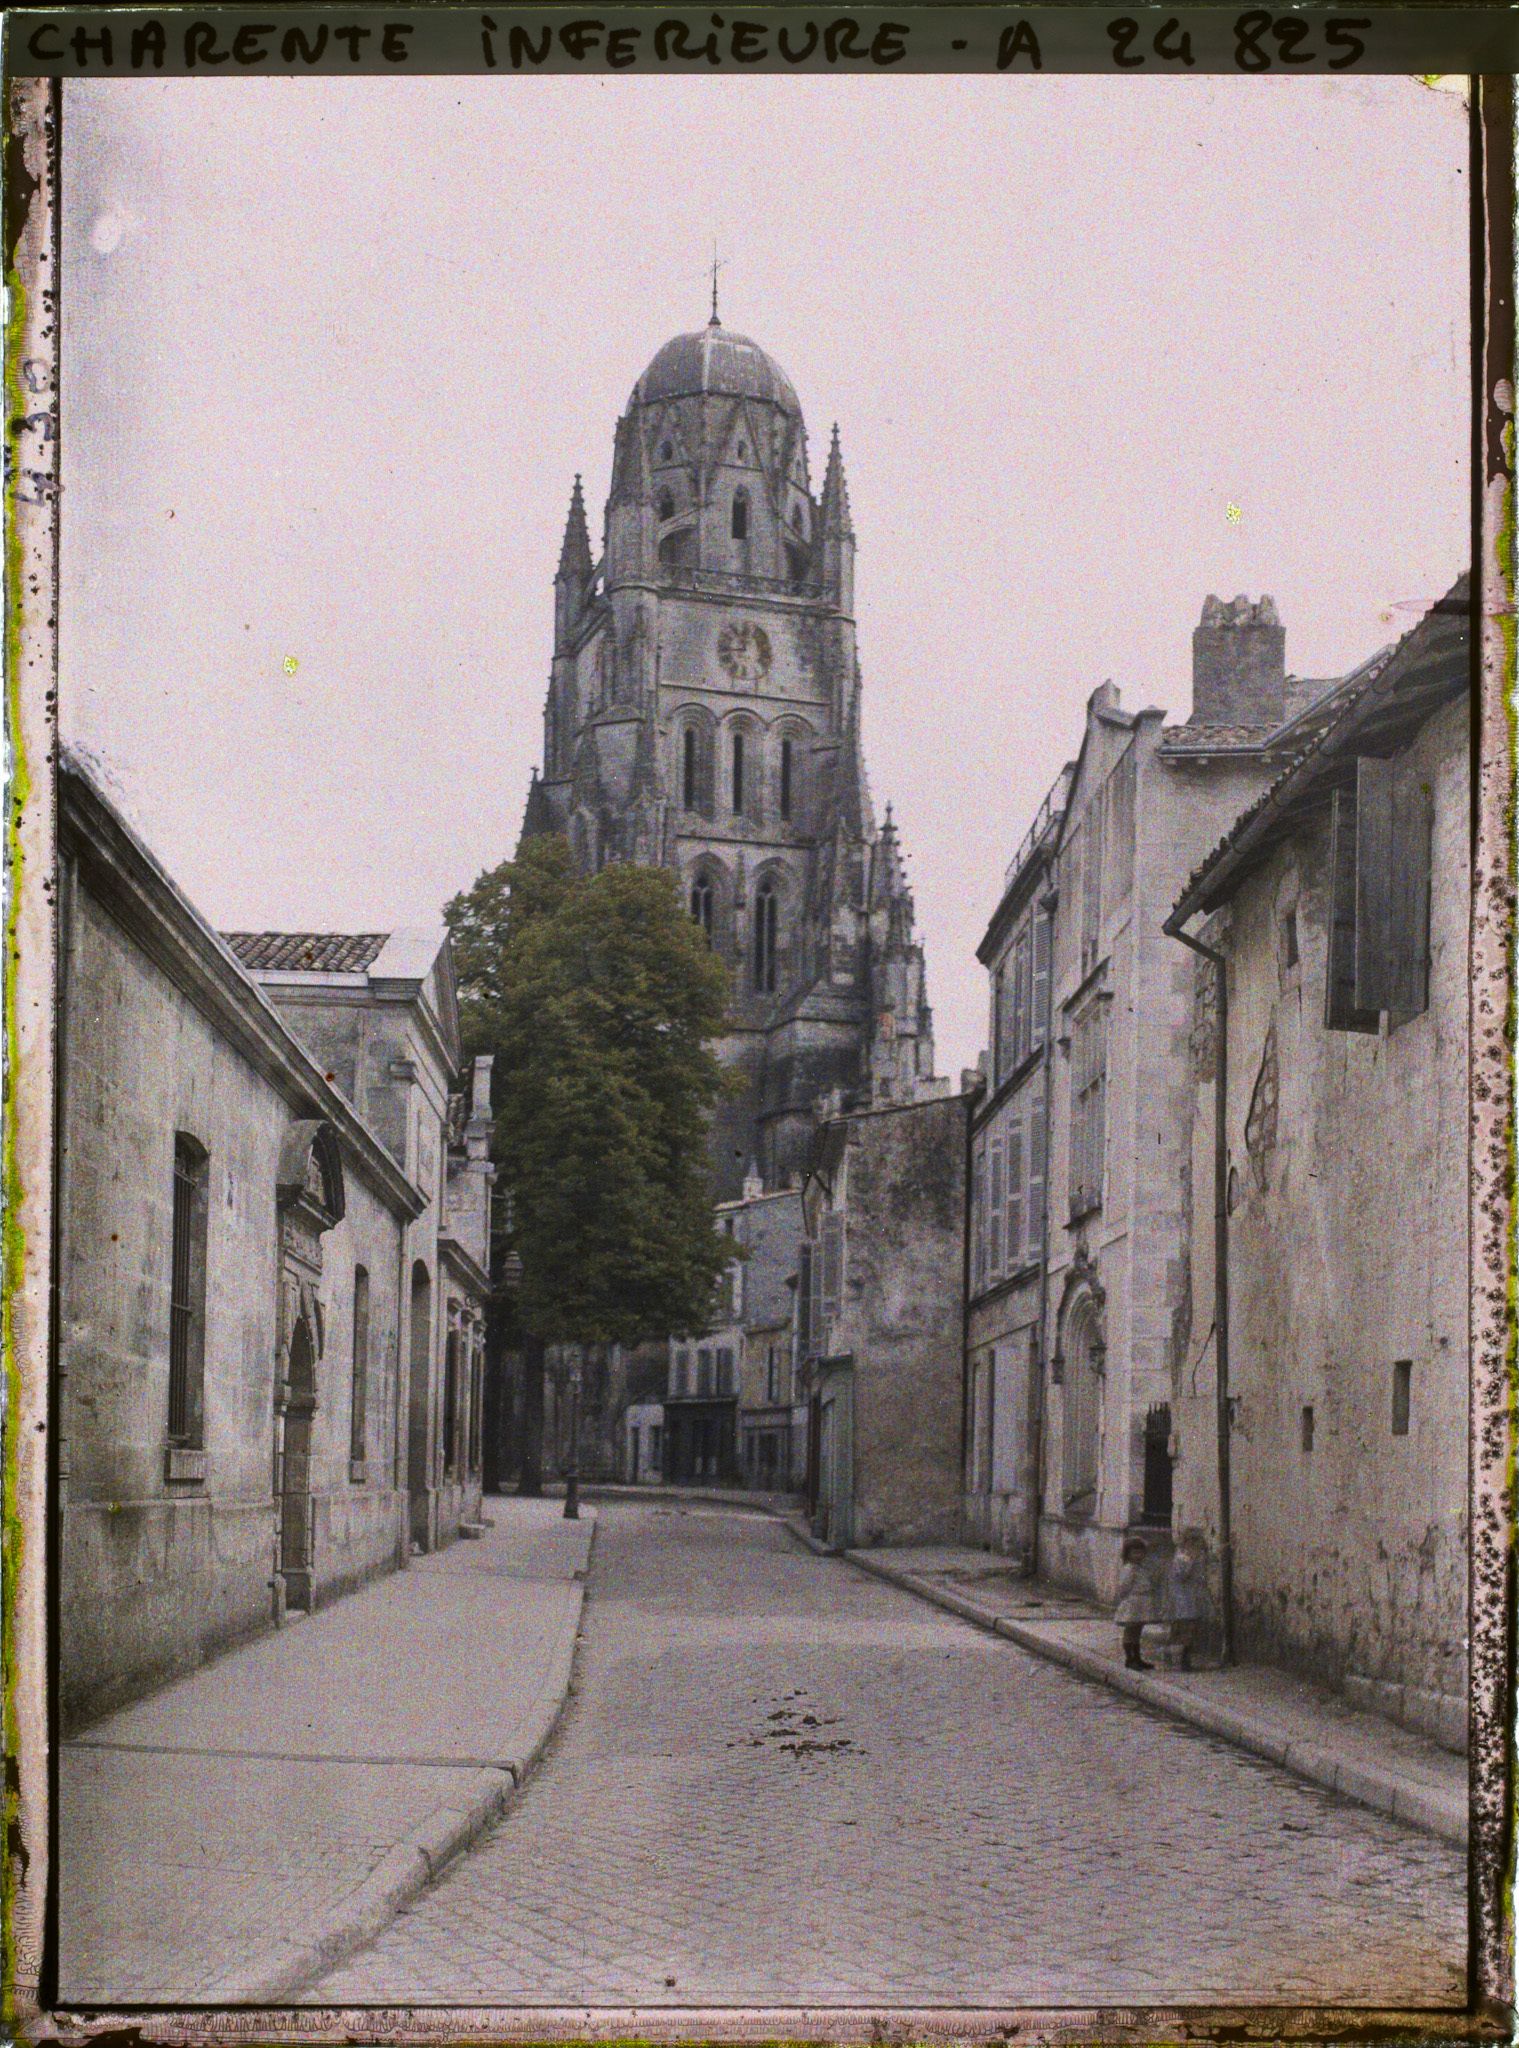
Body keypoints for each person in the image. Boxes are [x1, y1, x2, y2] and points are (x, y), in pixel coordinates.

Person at [1114, 1534, 1159, 1670]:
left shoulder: (1141, 1568)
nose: (1138, 1555)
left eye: (1141, 1552)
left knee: (1138, 1629)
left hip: (1142, 1601)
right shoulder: (1129, 1569)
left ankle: (1137, 1657)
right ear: (1127, 1554)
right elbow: (1124, 1586)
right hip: (1133, 1602)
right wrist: (1125, 1599)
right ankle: (1129, 1658)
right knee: (1131, 1630)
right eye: (1134, 1552)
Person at [1168, 1527, 1209, 1670]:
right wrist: (1191, 1561)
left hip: (1194, 1596)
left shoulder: (1197, 1556)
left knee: (1192, 1628)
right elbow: (1181, 1576)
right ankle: (1179, 1659)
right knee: (1183, 1627)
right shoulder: (1182, 1557)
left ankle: (1186, 1657)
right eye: (1192, 1541)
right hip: (1183, 1597)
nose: (1195, 1544)